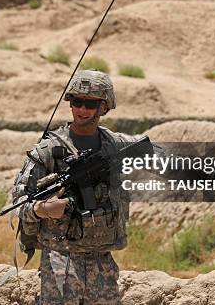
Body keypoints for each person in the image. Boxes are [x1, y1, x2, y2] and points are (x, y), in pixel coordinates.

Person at [12, 69, 152, 304]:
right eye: (77, 102)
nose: (82, 109)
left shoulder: (115, 144)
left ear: (105, 106)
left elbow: (157, 155)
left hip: (101, 260)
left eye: (90, 103)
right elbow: (17, 203)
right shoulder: (47, 151)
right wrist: (42, 209)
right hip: (60, 260)